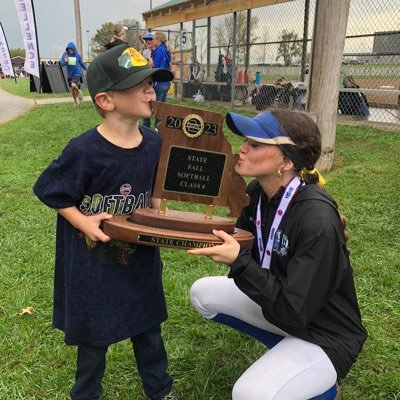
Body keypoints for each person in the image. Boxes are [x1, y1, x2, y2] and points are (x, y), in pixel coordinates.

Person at [188, 109, 367, 400]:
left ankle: (324, 388)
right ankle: (287, 351)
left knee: (249, 394)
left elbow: (295, 310)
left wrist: (239, 262)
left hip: (324, 332)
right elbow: (243, 240)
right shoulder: (258, 191)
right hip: (283, 305)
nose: (242, 149)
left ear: (285, 160)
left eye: (255, 144)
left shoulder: (317, 219)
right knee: (202, 294)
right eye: (245, 141)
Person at [33, 44, 177, 400]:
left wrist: (161, 213)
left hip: (140, 265)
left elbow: (157, 194)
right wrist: (83, 222)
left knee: (149, 336)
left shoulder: (156, 143)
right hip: (93, 267)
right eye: (139, 84)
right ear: (106, 101)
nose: (150, 90)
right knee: (93, 347)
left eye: (152, 82)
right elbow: (50, 190)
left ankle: (159, 392)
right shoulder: (84, 150)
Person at [143, 31, 172, 128]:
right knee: (161, 107)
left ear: (158, 40)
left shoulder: (160, 51)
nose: (150, 40)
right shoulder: (165, 49)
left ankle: (153, 127)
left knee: (155, 107)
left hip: (159, 82)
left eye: (153, 38)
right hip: (166, 82)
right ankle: (159, 127)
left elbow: (157, 67)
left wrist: (149, 59)